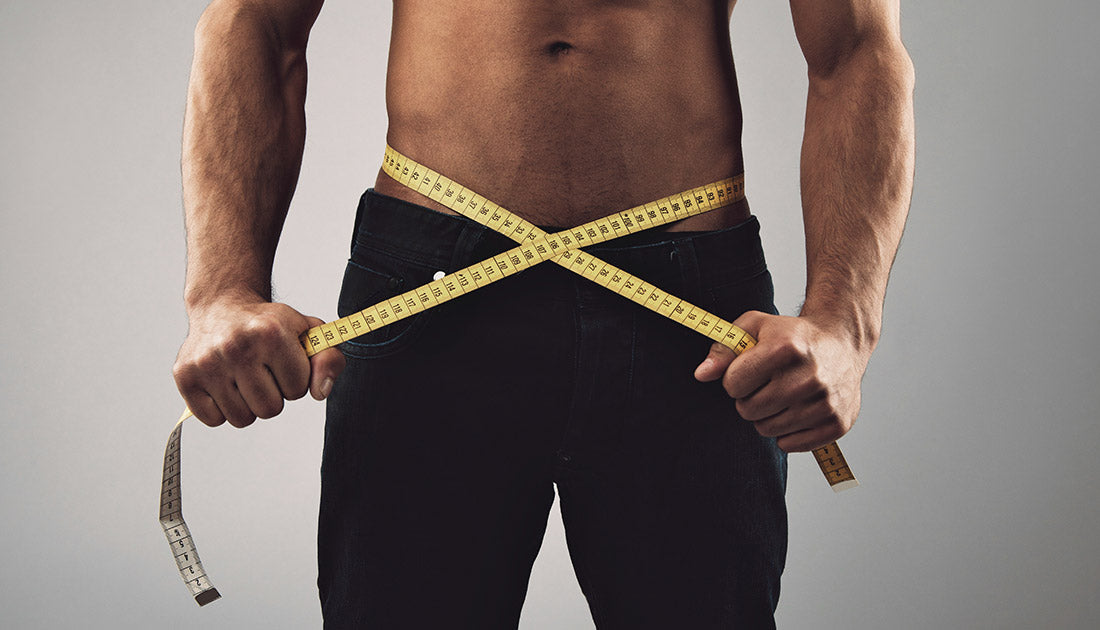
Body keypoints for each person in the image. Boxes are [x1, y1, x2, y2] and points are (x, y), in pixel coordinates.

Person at [172, 0, 914, 627]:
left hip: (692, 309)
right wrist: (222, 295)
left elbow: (856, 50)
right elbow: (256, 22)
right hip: (430, 287)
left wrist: (845, 325)